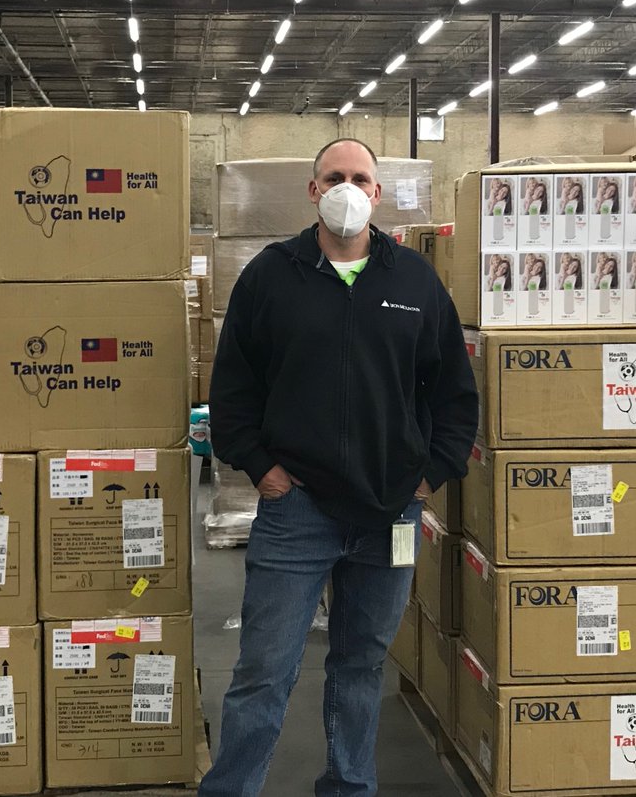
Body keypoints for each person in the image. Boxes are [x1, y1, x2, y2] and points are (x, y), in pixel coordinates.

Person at [203, 137, 479, 797]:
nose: (347, 188)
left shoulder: (413, 280)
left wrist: (427, 474)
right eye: (335, 176)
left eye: (360, 178)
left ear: (377, 193)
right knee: (264, 670)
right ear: (312, 188)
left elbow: (453, 392)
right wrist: (263, 470)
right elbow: (232, 390)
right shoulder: (271, 275)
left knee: (360, 664)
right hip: (297, 510)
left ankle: (350, 786)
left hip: (391, 514)